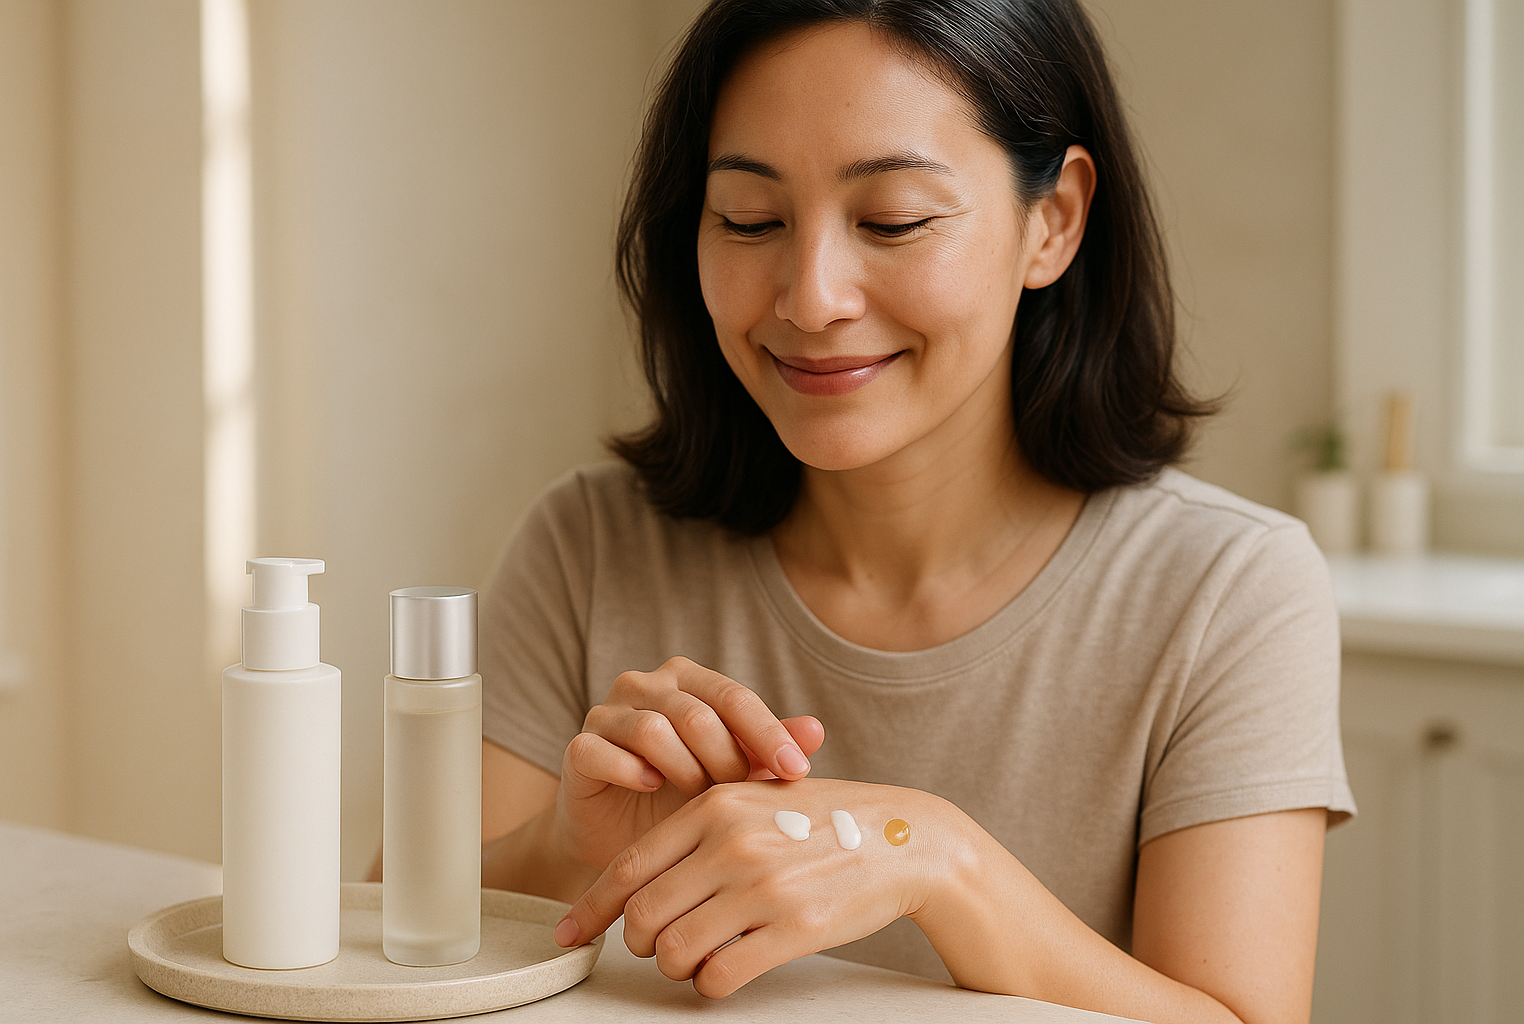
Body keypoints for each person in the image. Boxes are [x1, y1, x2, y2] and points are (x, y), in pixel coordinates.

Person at [476, 2, 1354, 1022]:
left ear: (1053, 220)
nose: (812, 298)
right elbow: (391, 954)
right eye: (750, 220)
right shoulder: (587, 544)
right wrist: (567, 848)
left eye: (892, 219)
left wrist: (941, 863)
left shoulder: (1229, 589)